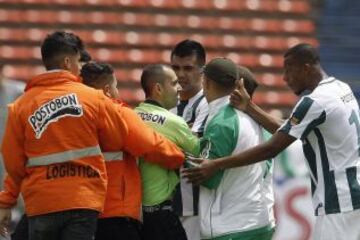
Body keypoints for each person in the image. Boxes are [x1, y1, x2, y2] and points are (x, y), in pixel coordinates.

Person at [0, 31, 185, 240]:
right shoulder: (94, 100)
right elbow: (129, 138)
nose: (81, 68)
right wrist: (180, 157)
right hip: (87, 202)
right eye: (79, 61)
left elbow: (13, 162)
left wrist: (6, 202)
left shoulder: (20, 106)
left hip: (42, 203)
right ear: (68, 61)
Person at [184, 43, 360, 240]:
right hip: (353, 190)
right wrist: (249, 107)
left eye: (289, 70)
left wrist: (217, 164)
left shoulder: (314, 101)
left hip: (338, 198)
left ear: (306, 68)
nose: (285, 78)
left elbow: (272, 148)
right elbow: (287, 130)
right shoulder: (340, 88)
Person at [193, 58, 274, 240]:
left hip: (230, 227)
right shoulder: (256, 120)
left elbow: (208, 178)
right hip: (259, 221)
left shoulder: (222, 122)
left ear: (205, 82)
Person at [135, 64, 199, 240]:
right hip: (161, 215)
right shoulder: (174, 122)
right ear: (158, 88)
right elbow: (200, 152)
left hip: (135, 216)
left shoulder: (130, 116)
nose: (178, 88)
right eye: (173, 83)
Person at [81, 62, 142, 240]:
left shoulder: (72, 117)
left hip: (80, 209)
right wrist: (179, 158)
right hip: (115, 209)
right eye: (116, 87)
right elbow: (152, 145)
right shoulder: (120, 114)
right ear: (108, 89)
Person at [170, 39, 208, 240]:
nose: (180, 74)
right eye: (175, 68)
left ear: (202, 70)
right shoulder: (167, 103)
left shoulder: (208, 103)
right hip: (168, 203)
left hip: (196, 204)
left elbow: (193, 146)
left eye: (188, 68)